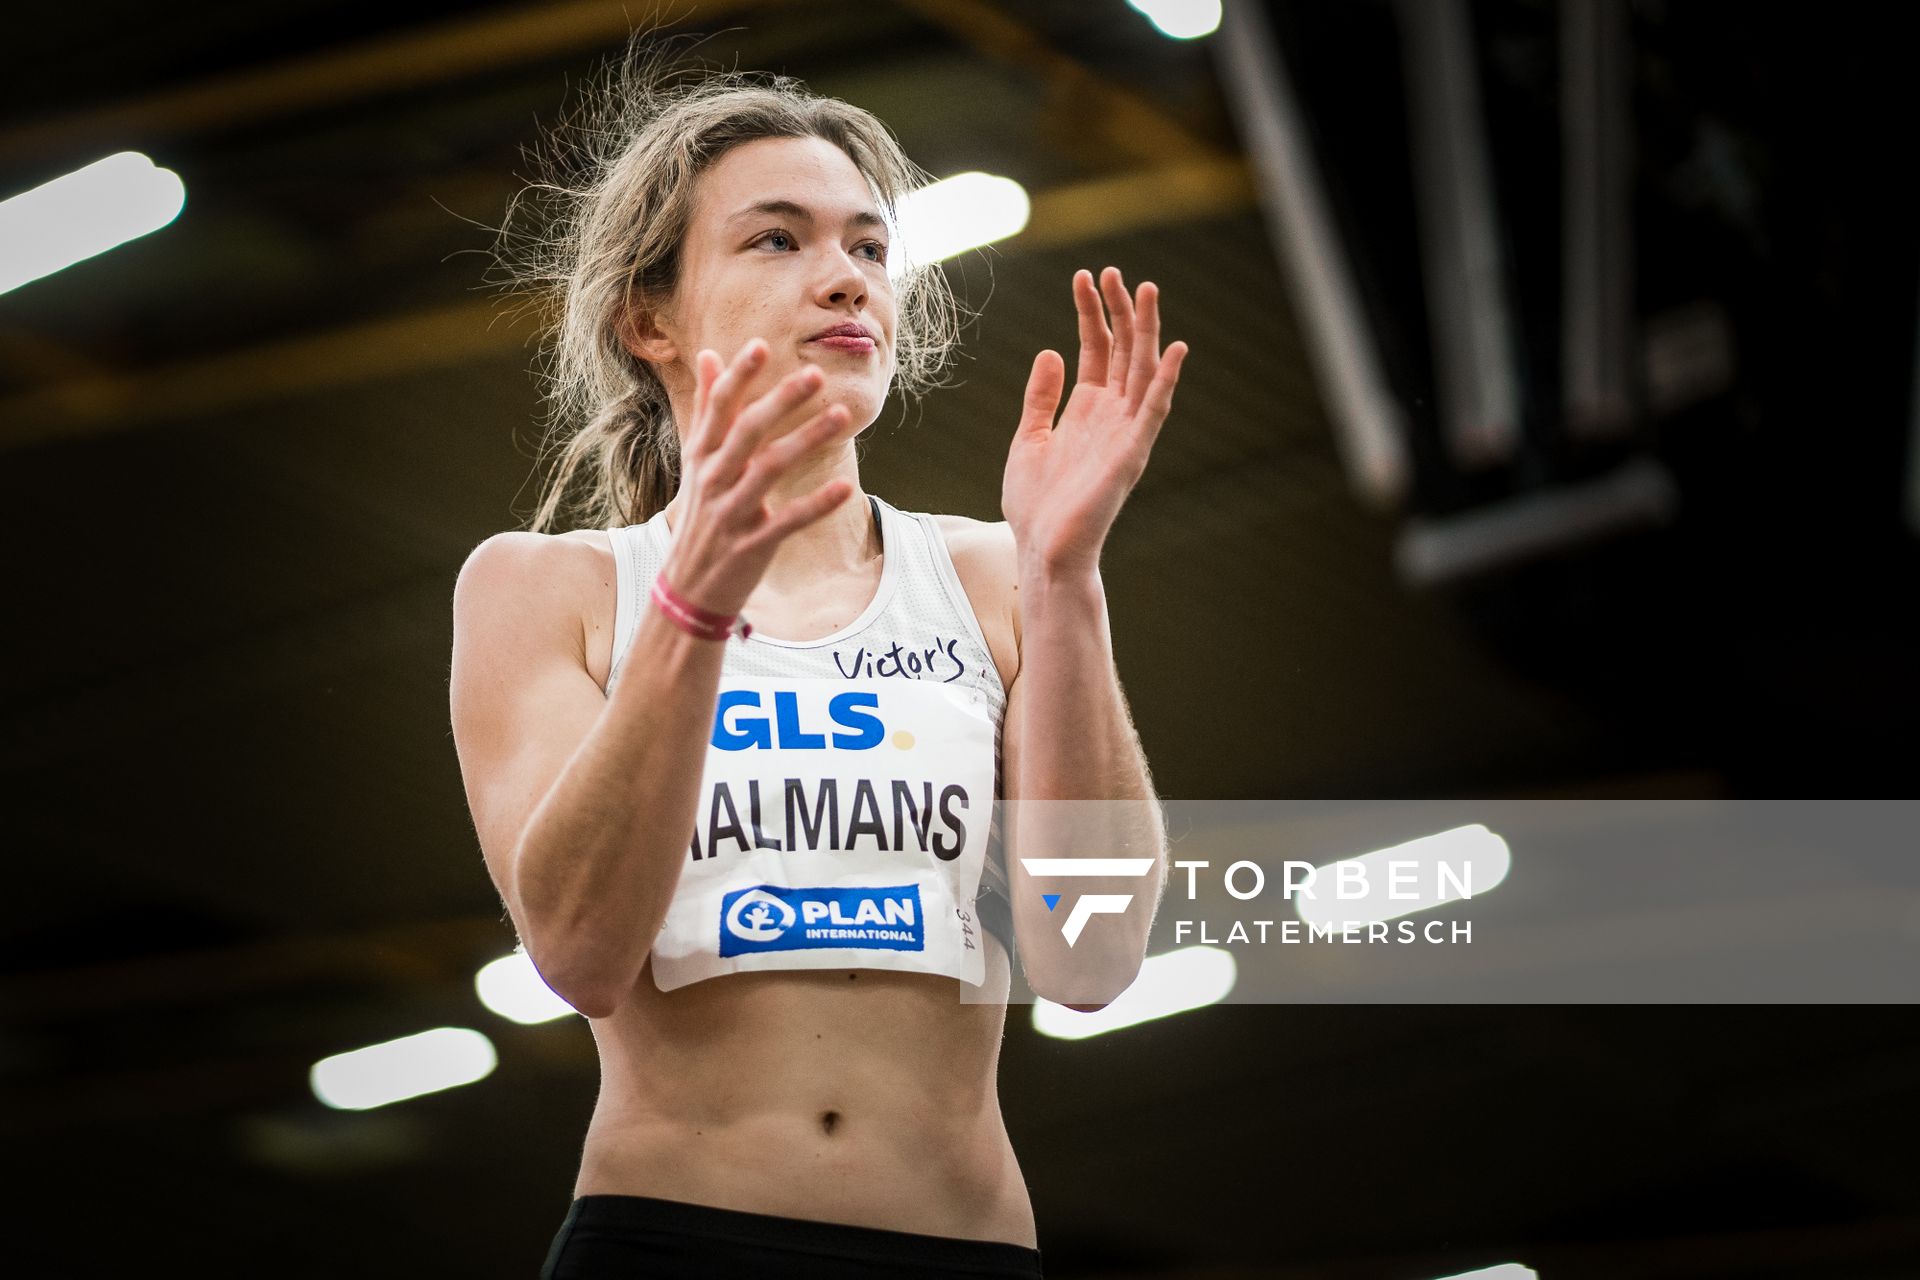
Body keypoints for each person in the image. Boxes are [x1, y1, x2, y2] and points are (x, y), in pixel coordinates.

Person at [449, 44, 1186, 1280]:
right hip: (673, 1239)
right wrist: (694, 608)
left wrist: (1068, 583)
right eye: (778, 240)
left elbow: (1092, 955)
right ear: (650, 318)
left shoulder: (993, 576)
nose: (843, 277)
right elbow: (578, 950)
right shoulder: (549, 588)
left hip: (962, 1248)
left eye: (868, 246)